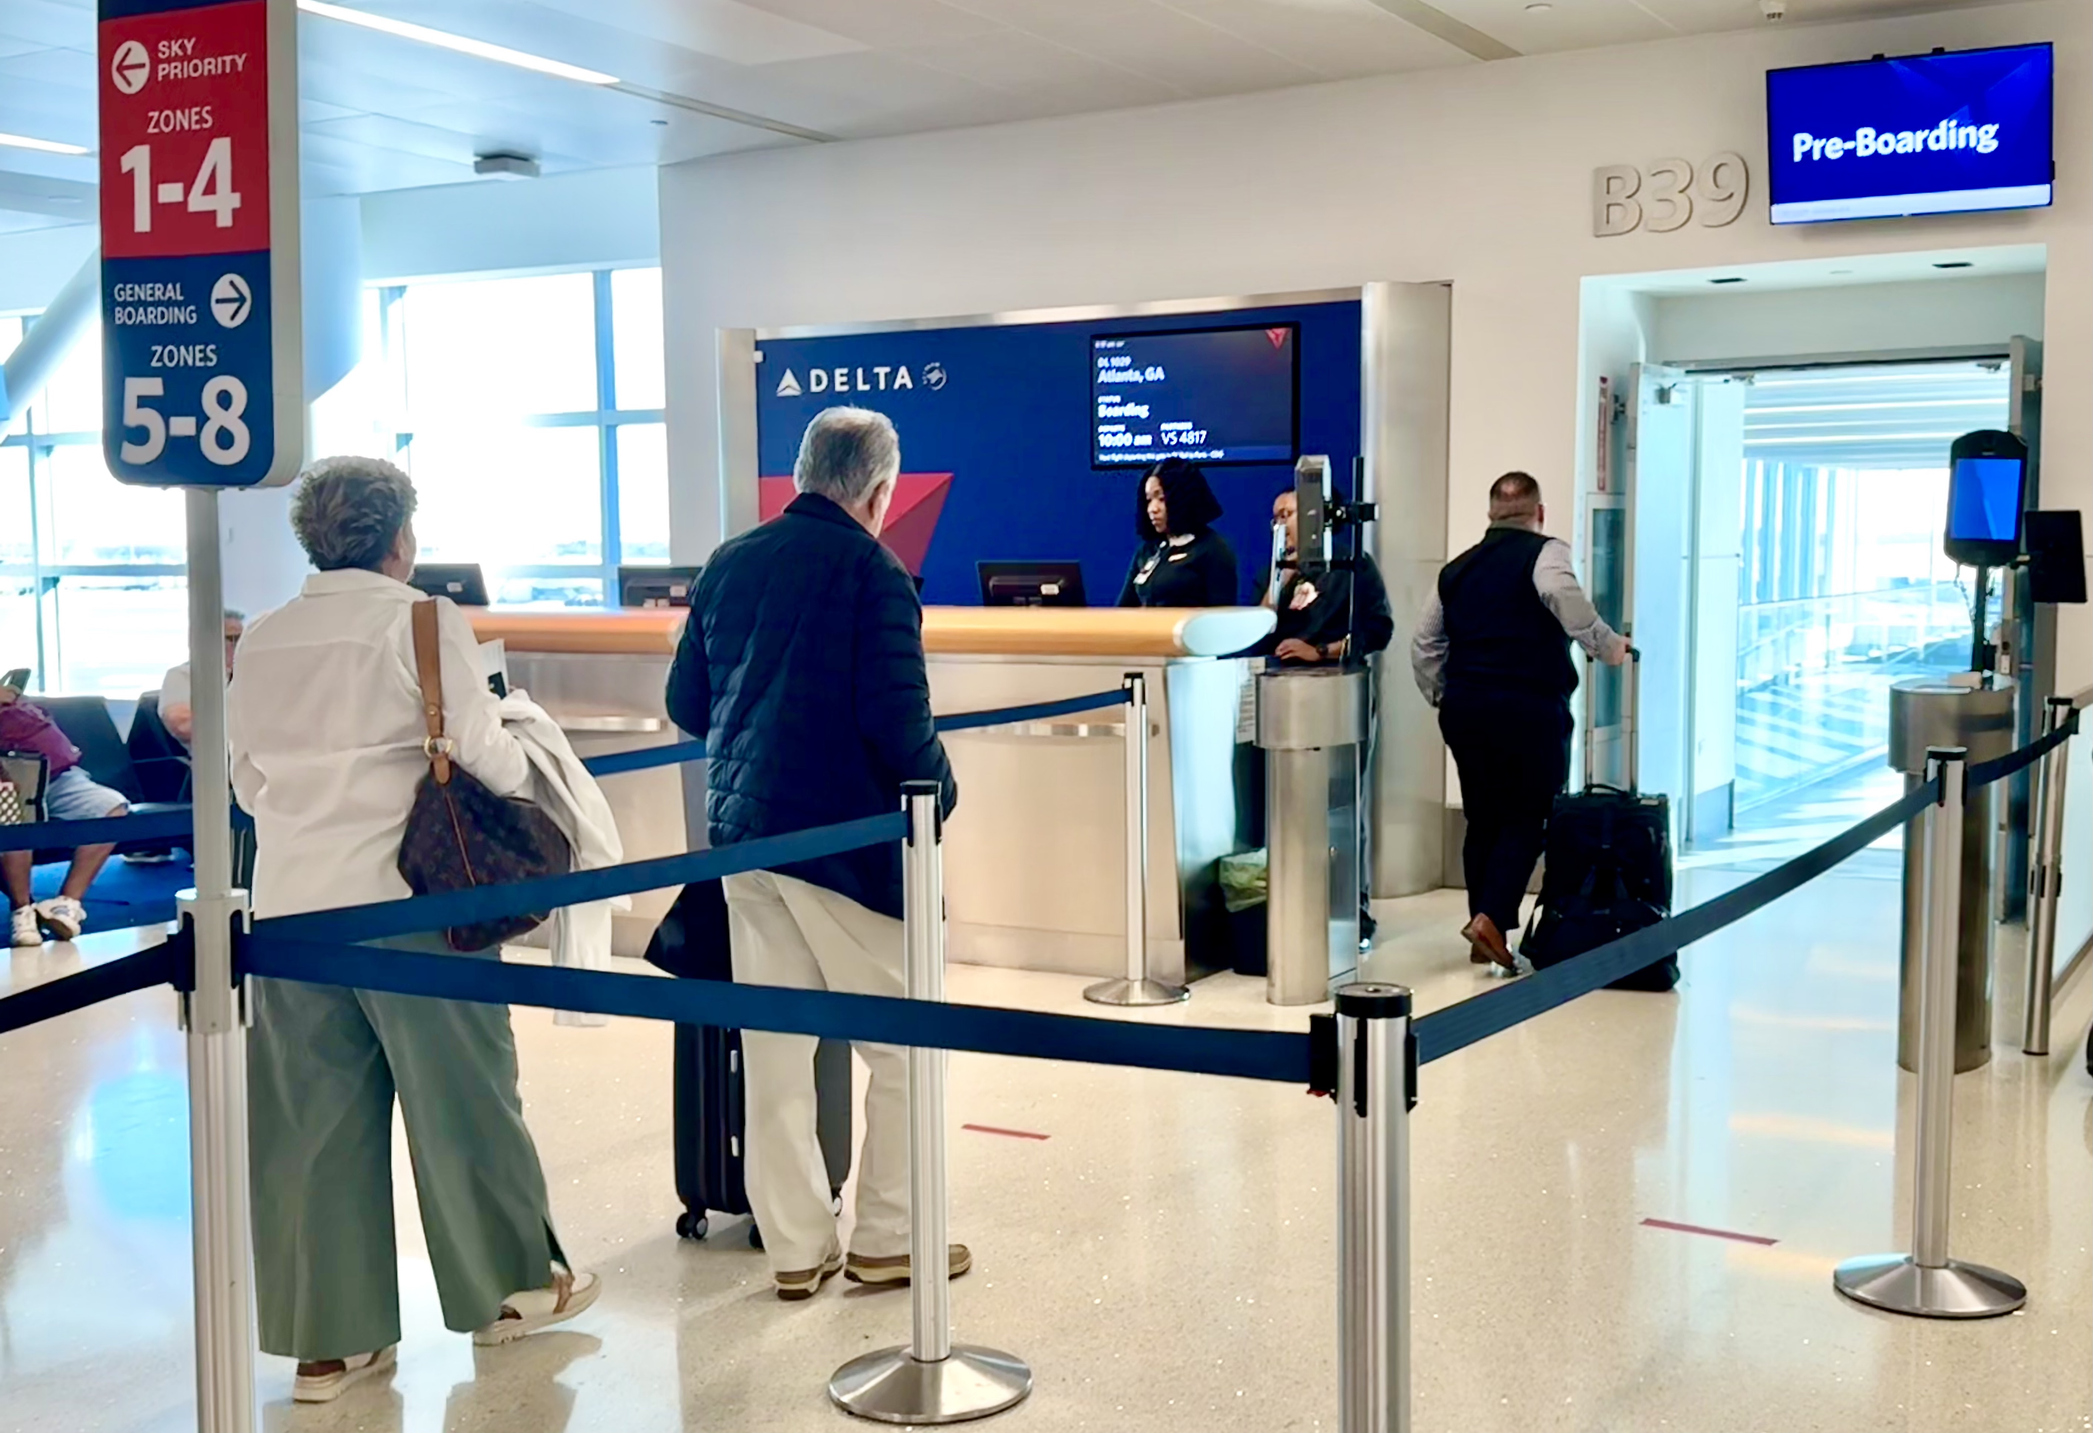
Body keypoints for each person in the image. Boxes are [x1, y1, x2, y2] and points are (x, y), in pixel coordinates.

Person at [228, 456, 598, 1405]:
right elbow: (488, 758)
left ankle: (329, 1344)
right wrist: (533, 749)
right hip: (413, 907)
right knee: (464, 1101)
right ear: (401, 539)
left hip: (292, 911)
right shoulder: (423, 622)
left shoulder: (262, 637)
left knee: (310, 1126)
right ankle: (512, 1290)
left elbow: (246, 785)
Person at [667, 406, 964, 1302]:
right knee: (910, 1048)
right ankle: (888, 1237)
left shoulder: (729, 561)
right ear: (878, 491)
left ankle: (796, 1248)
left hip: (744, 841)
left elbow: (689, 702)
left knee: (775, 1051)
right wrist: (941, 791)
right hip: (844, 843)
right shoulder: (875, 571)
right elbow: (897, 721)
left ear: (801, 475)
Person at [1411, 471, 1629, 970]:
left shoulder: (1456, 569)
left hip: (1465, 708)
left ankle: (1482, 930)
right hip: (1528, 706)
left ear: (1490, 514)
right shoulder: (1546, 551)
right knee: (1528, 814)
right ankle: (1490, 919)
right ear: (1540, 513)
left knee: (1483, 817)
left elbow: (1424, 644)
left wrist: (1444, 695)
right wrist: (1607, 645)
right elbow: (1560, 596)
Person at [0, 678, 128, 946]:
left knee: (111, 807)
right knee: (15, 817)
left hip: (58, 775)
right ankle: (22, 912)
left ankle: (66, 904)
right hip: (8, 780)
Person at [1257, 487, 1394, 665]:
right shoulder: (1272, 572)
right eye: (1275, 518)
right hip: (1280, 677)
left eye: (1286, 515)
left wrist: (1321, 651)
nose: (1278, 526)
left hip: (1336, 678)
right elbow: (1259, 631)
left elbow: (1378, 631)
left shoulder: (1350, 564)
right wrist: (1280, 580)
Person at [1116, 457, 1239, 608]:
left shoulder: (1213, 549)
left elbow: (1222, 617)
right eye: (1149, 500)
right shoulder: (1147, 551)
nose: (1153, 509)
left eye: (1161, 499)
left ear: (1181, 498)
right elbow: (1123, 609)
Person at [157, 609, 245, 748]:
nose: (240, 645)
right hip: (214, 761)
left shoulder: (249, 673)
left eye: (243, 638)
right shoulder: (182, 676)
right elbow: (183, 726)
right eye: (233, 639)